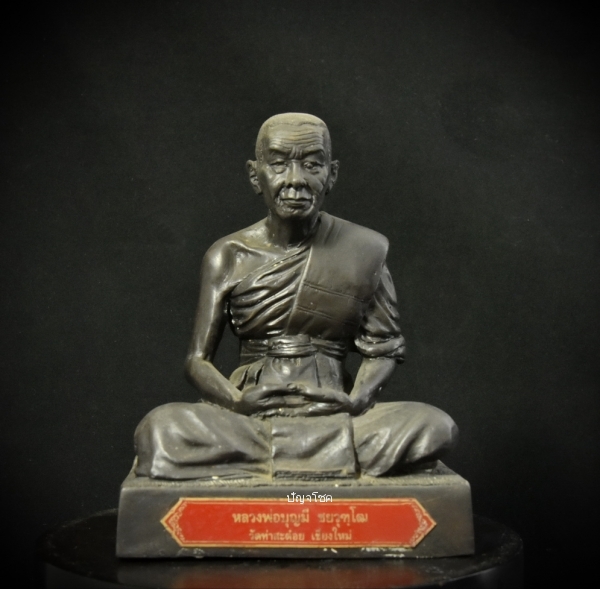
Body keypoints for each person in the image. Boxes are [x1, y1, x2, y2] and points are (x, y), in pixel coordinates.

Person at [134, 113, 457, 480]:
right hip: (253, 413)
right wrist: (236, 400)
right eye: (278, 164)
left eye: (312, 165)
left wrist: (356, 400)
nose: (295, 180)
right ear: (255, 175)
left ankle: (269, 464)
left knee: (435, 427)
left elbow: (383, 347)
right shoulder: (228, 255)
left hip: (333, 411)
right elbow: (197, 361)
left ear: (332, 174)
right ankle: (322, 463)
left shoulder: (364, 249)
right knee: (161, 431)